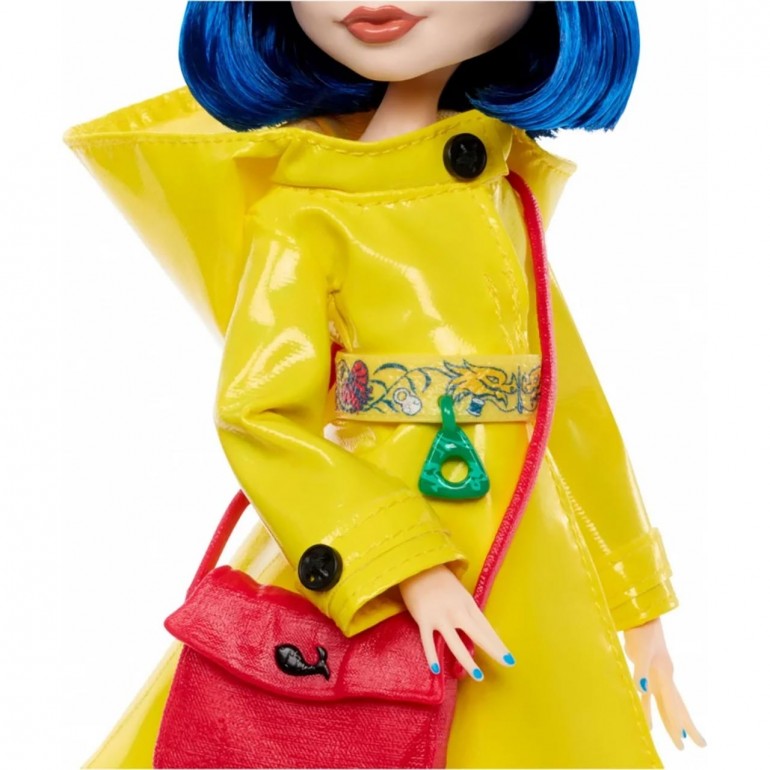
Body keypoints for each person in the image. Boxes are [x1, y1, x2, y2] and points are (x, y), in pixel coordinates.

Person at [64, 2, 705, 766]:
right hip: (370, 554)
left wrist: (637, 607)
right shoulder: (306, 214)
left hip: (531, 557)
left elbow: (569, 409)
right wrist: (405, 565)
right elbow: (259, 413)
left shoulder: (500, 190)